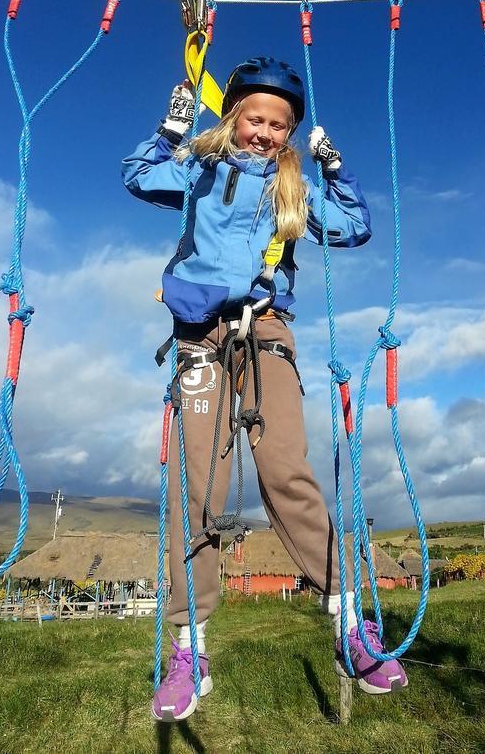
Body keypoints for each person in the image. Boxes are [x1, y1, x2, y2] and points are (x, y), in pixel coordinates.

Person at [122, 57, 407, 722]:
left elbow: (354, 227)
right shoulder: (201, 166)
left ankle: (347, 624)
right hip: (200, 334)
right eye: (255, 117)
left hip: (266, 330)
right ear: (234, 117)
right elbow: (139, 178)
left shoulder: (293, 189)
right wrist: (168, 131)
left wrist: (334, 169)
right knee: (196, 483)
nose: (265, 132)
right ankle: (188, 649)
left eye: (278, 125)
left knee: (285, 468)